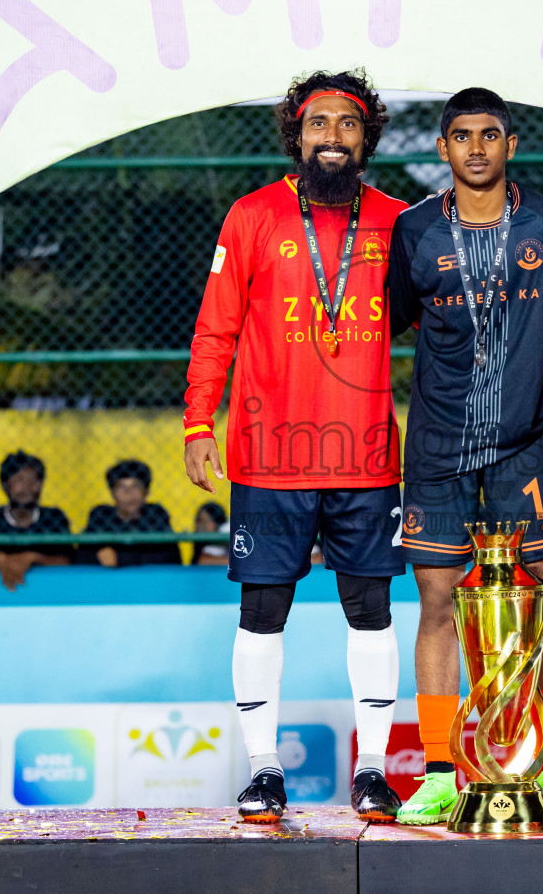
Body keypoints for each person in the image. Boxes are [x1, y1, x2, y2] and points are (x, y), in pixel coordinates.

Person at [182, 69, 406, 824]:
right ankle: (264, 771)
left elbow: (443, 327)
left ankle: (373, 771)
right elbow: (214, 329)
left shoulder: (401, 222)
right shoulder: (251, 216)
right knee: (263, 609)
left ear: (366, 136)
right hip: (269, 452)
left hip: (367, 453)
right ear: (297, 135)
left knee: (370, 607)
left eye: (348, 125)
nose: (333, 137)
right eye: (319, 125)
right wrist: (195, 423)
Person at [386, 88, 543, 825]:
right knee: (436, 604)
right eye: (462, 136)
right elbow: (394, 321)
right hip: (437, 451)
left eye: (491, 135)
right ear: (443, 149)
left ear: (511, 145)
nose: (476, 147)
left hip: (523, 447)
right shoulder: (413, 232)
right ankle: (442, 771)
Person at [0, 450, 73, 591]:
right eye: (19, 480)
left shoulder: (54, 518)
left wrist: (32, 558)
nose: (27, 487)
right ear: (4, 485)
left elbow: (69, 560)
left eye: (33, 480)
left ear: (42, 484)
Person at [80, 460, 181, 566]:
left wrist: (119, 558)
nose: (129, 493)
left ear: (146, 492)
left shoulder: (156, 515)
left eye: (136, 486)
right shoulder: (101, 516)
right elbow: (82, 557)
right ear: (112, 492)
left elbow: (172, 558)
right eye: (121, 487)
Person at [192, 501, 231, 566]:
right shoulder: (201, 545)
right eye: (198, 521)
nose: (199, 526)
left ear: (217, 523)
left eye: (204, 521)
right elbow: (202, 561)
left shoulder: (228, 535)